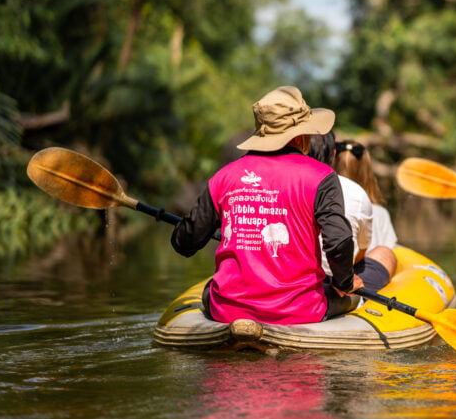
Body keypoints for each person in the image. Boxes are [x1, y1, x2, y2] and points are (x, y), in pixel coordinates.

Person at [170, 85, 363, 325]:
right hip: (300, 310)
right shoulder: (322, 176)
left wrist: (186, 228)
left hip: (229, 310)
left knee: (209, 289)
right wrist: (344, 283)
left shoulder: (223, 177)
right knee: (353, 299)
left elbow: (185, 243)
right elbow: (339, 241)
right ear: (300, 136)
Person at [307, 133, 393, 290]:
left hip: (294, 279)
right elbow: (349, 247)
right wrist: (345, 282)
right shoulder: (355, 193)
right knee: (385, 253)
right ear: (333, 154)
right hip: (328, 287)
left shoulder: (280, 185)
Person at [332, 140, 398, 285]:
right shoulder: (379, 213)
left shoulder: (321, 204)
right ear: (367, 171)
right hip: (360, 275)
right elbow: (389, 249)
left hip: (334, 273)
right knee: (386, 254)